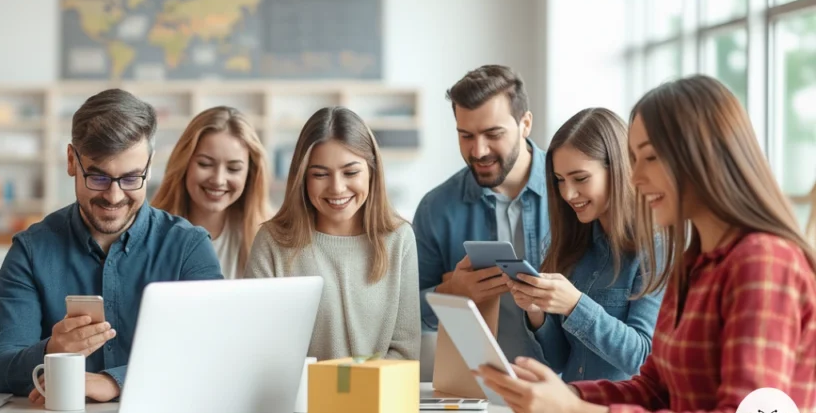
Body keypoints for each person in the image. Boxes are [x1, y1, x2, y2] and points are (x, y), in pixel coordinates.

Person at [476, 76, 816, 413]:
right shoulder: (693, 264)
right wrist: (566, 395)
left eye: (649, 158)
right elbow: (656, 390)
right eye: (634, 159)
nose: (635, 178)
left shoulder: (764, 262)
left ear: (703, 157)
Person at [0, 89, 224, 403]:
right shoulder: (31, 251)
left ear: (149, 166)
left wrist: (114, 382)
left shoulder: (188, 247)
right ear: (72, 161)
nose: (114, 196)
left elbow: (213, 356)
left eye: (131, 178)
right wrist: (51, 349)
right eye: (98, 178)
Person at [245, 106, 420, 361]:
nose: (337, 188)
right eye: (320, 174)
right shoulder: (272, 241)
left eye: (351, 172)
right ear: (303, 178)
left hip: (379, 387)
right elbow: (258, 347)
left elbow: (405, 351)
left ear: (372, 171)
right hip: (299, 388)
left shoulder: (399, 239)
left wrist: (352, 385)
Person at [506, 108, 661, 382]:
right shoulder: (571, 245)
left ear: (618, 170)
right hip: (571, 402)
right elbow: (559, 360)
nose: (567, 193)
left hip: (620, 408)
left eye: (580, 178)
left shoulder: (655, 246)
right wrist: (536, 311)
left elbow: (642, 357)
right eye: (560, 180)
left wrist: (575, 305)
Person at [413, 65, 549, 362]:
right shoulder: (436, 209)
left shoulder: (571, 194)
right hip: (474, 385)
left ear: (525, 123)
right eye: (466, 136)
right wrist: (451, 294)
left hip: (562, 383)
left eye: (493, 134)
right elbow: (404, 316)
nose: (478, 151)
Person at [152, 106, 271, 279]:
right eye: (205, 164)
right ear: (184, 164)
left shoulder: (268, 238)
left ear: (250, 173)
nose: (218, 180)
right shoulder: (150, 234)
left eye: (233, 168)